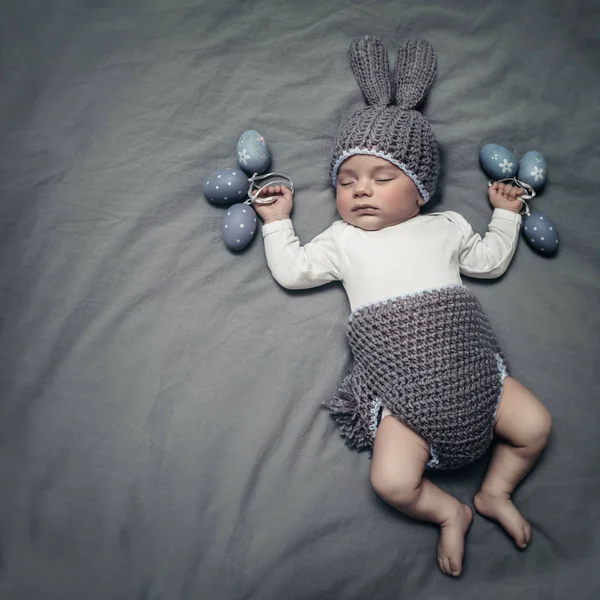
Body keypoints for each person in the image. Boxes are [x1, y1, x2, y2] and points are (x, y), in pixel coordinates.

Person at [253, 36, 551, 577]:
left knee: (534, 426)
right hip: (403, 386)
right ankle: (449, 512)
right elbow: (294, 272)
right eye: (347, 181)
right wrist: (278, 224)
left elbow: (488, 262)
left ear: (420, 190)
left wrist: (505, 216)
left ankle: (495, 492)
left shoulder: (446, 226)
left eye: (383, 177)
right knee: (391, 481)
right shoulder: (342, 240)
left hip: (475, 371)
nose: (361, 191)